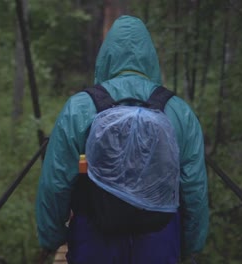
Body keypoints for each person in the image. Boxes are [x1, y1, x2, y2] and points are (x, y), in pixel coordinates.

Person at [36, 15, 208, 263]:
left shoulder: (79, 108)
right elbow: (194, 187)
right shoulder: (178, 111)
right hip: (159, 237)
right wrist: (191, 243)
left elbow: (56, 182)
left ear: (105, 57)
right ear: (151, 59)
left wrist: (52, 238)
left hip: (94, 238)